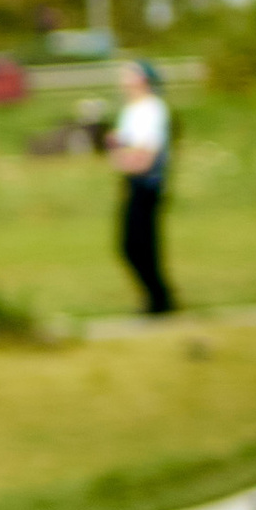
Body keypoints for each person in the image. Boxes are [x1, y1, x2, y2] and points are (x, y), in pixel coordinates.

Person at [106, 59, 175, 317]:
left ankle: (160, 299)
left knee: (140, 245)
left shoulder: (153, 109)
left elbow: (142, 156)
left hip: (147, 184)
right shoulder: (131, 111)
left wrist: (123, 155)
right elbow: (120, 153)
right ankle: (155, 297)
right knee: (130, 245)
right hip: (131, 182)